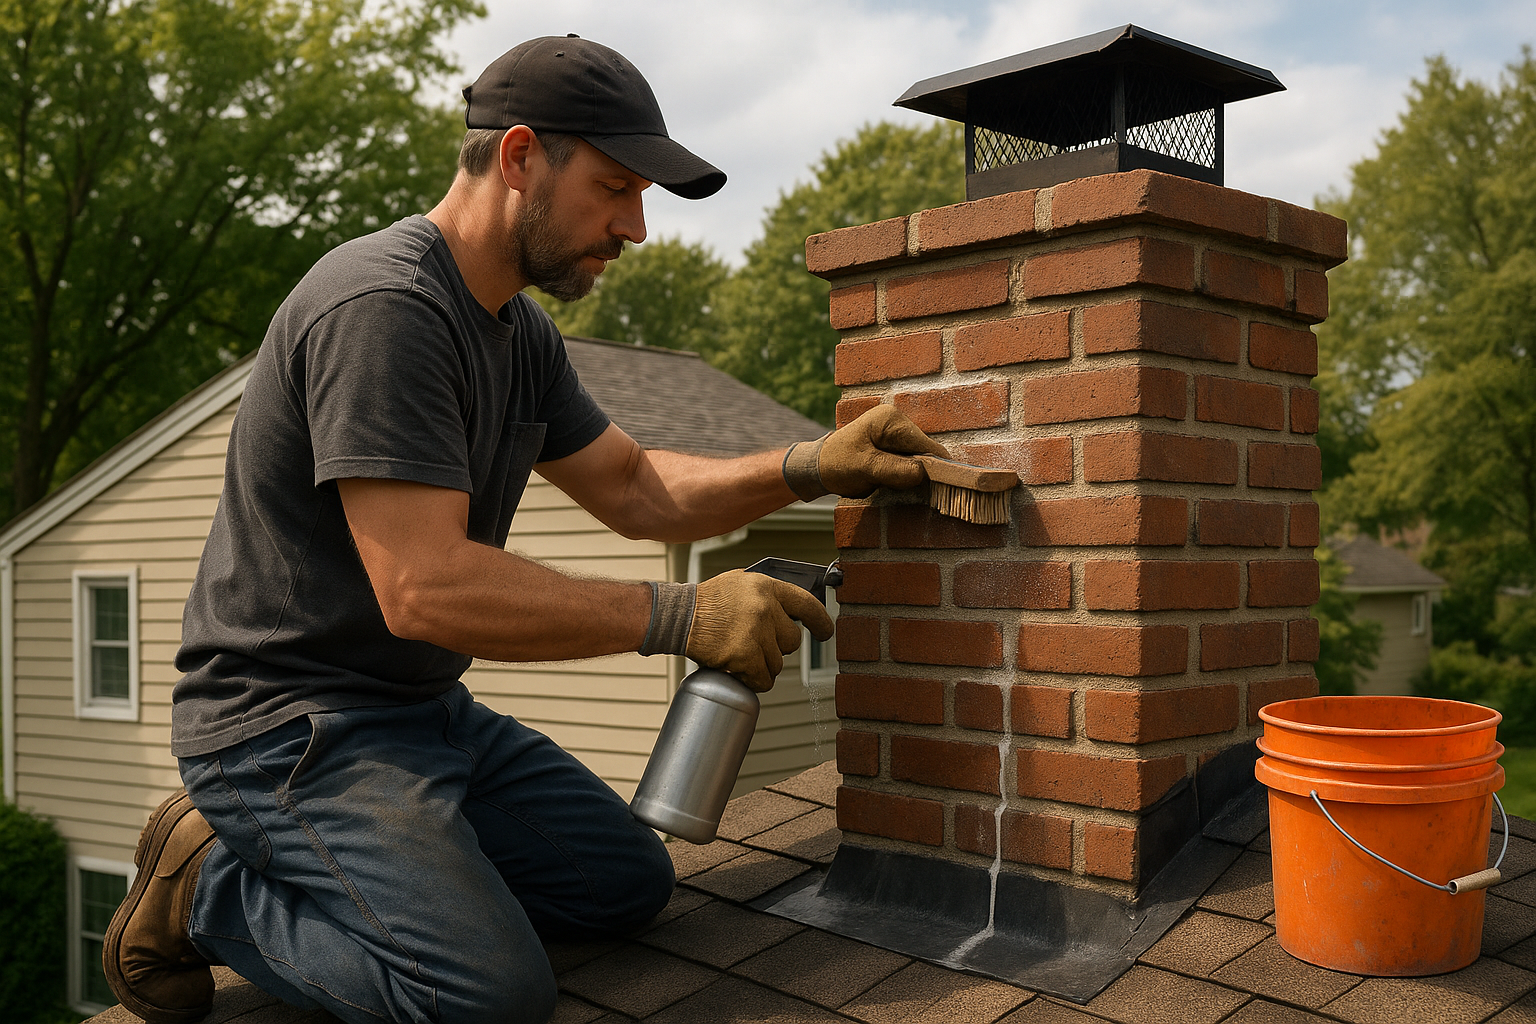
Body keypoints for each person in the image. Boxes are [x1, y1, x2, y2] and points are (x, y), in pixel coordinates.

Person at [102, 34, 948, 1024]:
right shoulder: (381, 307)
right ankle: (206, 882)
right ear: (518, 159)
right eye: (617, 187)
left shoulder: (518, 330)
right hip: (284, 730)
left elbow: (636, 486)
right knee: (487, 998)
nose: (636, 227)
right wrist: (682, 612)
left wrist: (813, 463)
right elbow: (423, 587)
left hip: (422, 717)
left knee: (627, 884)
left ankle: (407, 869)